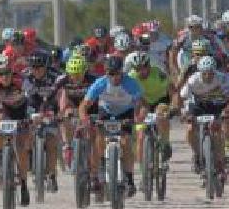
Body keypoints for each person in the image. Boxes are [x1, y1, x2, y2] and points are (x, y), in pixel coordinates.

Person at [78, 55, 147, 197]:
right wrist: (85, 119)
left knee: (126, 142)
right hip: (106, 113)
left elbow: (142, 103)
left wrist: (139, 117)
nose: (115, 77)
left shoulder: (130, 83)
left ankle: (129, 178)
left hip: (125, 113)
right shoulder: (100, 83)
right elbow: (84, 105)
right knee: (99, 140)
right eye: (111, 74)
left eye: (117, 73)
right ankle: (95, 175)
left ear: (122, 71)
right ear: (106, 73)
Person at [0, 54, 32, 206]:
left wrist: (32, 115)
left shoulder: (22, 81)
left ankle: (23, 184)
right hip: (3, 109)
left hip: (21, 111)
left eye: (7, 72)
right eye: (0, 73)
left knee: (21, 148)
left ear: (12, 71)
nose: (5, 77)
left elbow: (33, 99)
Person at [179, 56, 229, 183]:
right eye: (204, 73)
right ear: (200, 72)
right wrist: (185, 113)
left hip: (217, 105)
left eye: (210, 72)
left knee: (217, 132)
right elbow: (184, 98)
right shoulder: (193, 79)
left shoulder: (222, 78)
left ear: (214, 71)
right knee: (190, 129)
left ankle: (221, 162)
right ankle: (197, 154)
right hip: (200, 106)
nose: (207, 76)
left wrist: (228, 110)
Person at [23, 52, 62, 192]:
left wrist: (59, 113)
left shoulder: (56, 76)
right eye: (33, 67)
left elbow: (62, 94)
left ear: (46, 66)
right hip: (33, 106)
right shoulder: (26, 76)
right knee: (26, 135)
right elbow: (25, 97)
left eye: (39, 67)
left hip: (51, 106)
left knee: (51, 141)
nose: (36, 70)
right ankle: (30, 162)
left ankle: (51, 175)